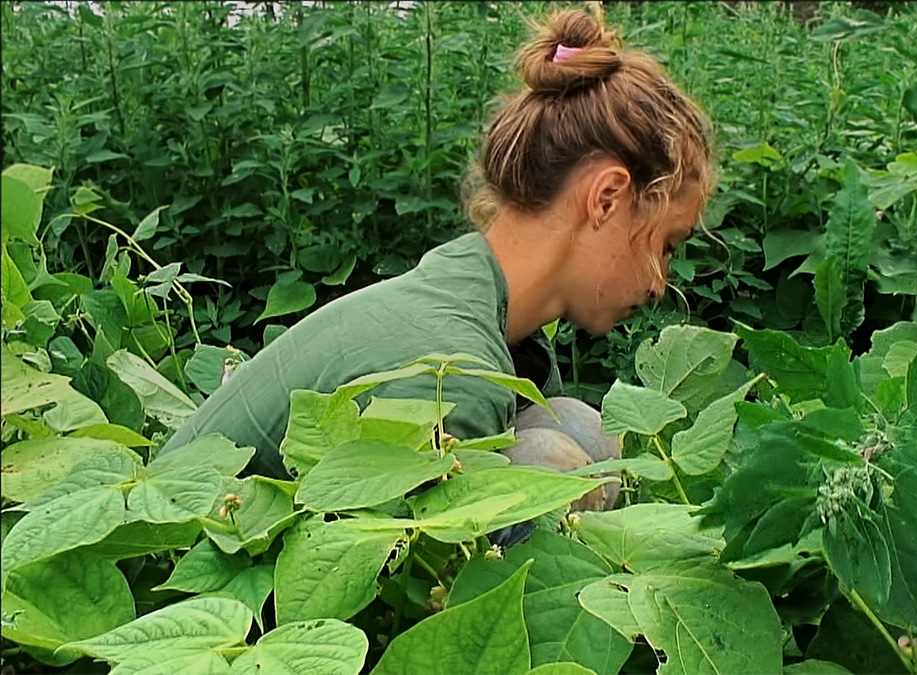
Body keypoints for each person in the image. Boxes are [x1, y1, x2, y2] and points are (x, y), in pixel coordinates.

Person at [157, 5, 717, 507]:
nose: (660, 283)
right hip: (171, 587)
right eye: (665, 245)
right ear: (607, 198)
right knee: (544, 461)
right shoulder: (454, 376)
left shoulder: (473, 312)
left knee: (574, 428)